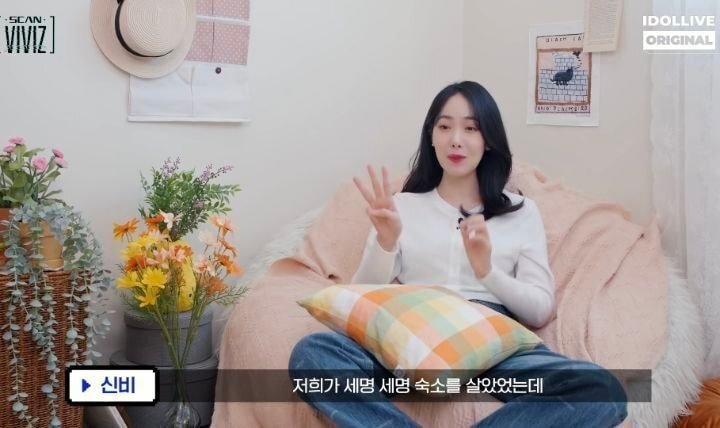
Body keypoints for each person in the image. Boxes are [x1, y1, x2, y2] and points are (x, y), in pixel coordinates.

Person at [288, 81, 628, 427]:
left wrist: (487, 272)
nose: (455, 139)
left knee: (601, 390)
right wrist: (386, 243)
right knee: (313, 356)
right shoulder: (401, 206)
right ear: (431, 136)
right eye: (444, 126)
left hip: (491, 347)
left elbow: (540, 310)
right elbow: (361, 297)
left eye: (471, 128)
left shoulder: (522, 212)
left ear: (488, 139)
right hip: (410, 338)